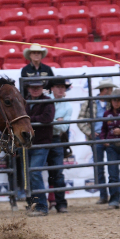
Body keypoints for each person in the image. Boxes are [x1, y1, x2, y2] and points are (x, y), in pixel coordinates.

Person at [77, 79, 118, 204]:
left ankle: (111, 196)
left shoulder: (110, 103)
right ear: (105, 90)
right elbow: (80, 120)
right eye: (110, 90)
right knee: (100, 168)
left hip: (108, 137)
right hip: (99, 137)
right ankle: (106, 196)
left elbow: (80, 120)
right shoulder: (91, 102)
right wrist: (90, 132)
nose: (111, 93)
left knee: (111, 168)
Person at [24, 79, 55, 217]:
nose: (35, 89)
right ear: (29, 88)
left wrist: (28, 119)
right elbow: (43, 118)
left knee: (34, 172)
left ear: (42, 88)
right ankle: (35, 204)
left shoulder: (47, 101)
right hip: (29, 142)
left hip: (41, 142)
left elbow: (47, 118)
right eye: (33, 87)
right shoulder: (25, 102)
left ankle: (42, 206)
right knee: (30, 174)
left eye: (38, 87)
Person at [46, 77, 73, 214]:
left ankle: (59, 203)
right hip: (44, 139)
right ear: (52, 88)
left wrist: (50, 121)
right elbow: (59, 124)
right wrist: (57, 121)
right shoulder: (45, 100)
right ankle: (42, 204)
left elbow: (63, 128)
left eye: (63, 87)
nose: (61, 89)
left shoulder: (68, 105)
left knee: (57, 173)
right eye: (58, 87)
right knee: (37, 171)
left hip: (55, 139)